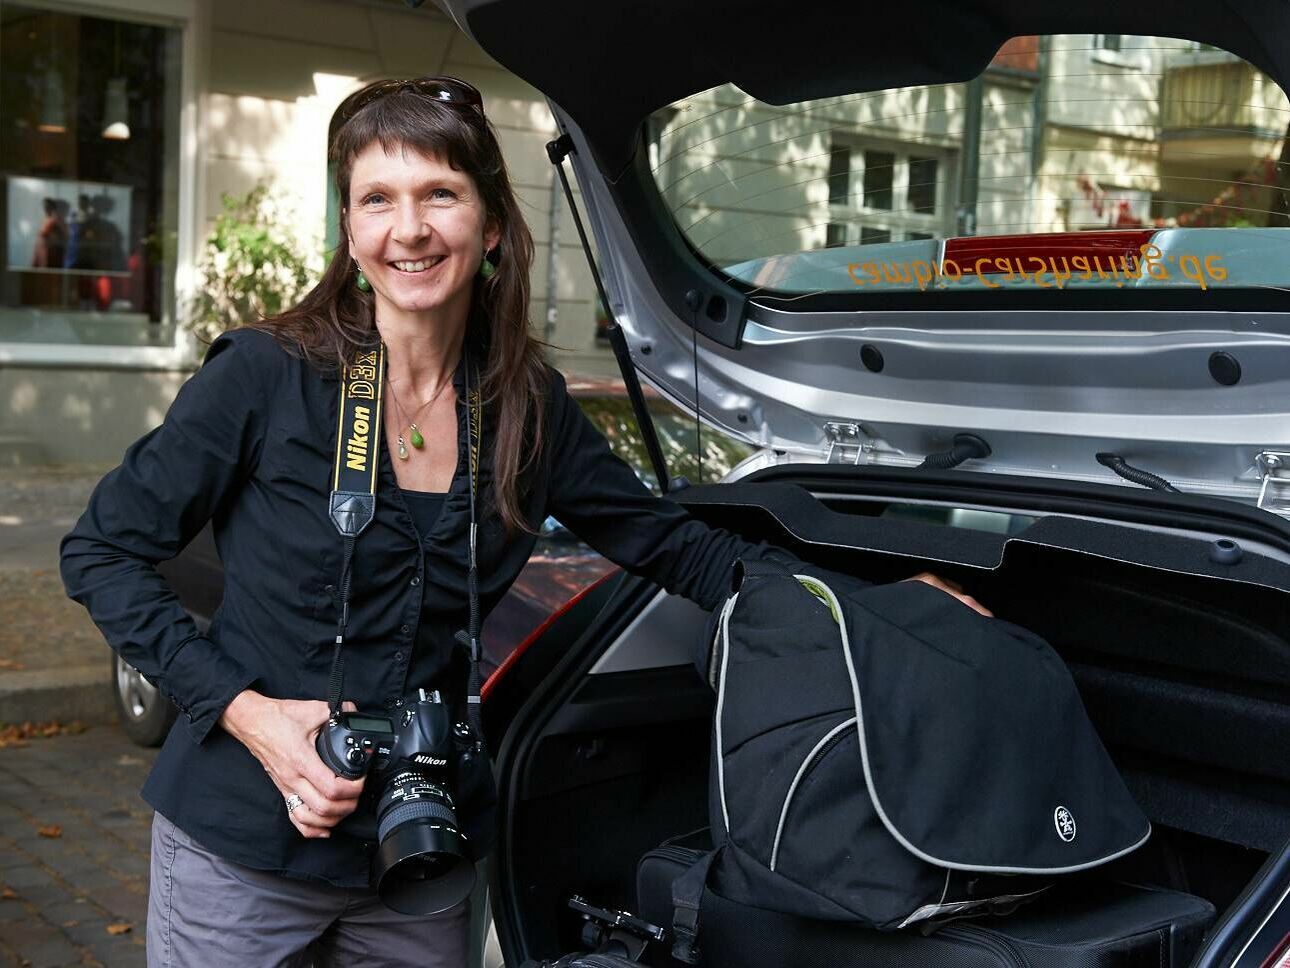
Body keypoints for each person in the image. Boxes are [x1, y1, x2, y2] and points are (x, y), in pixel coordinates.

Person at [61, 76, 988, 967]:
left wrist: (873, 608)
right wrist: (250, 714)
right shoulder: (267, 376)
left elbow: (683, 551)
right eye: (376, 199)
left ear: (493, 224)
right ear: (348, 229)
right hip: (239, 842)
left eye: (440, 194)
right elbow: (100, 551)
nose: (409, 229)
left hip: (421, 851)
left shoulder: (525, 407)